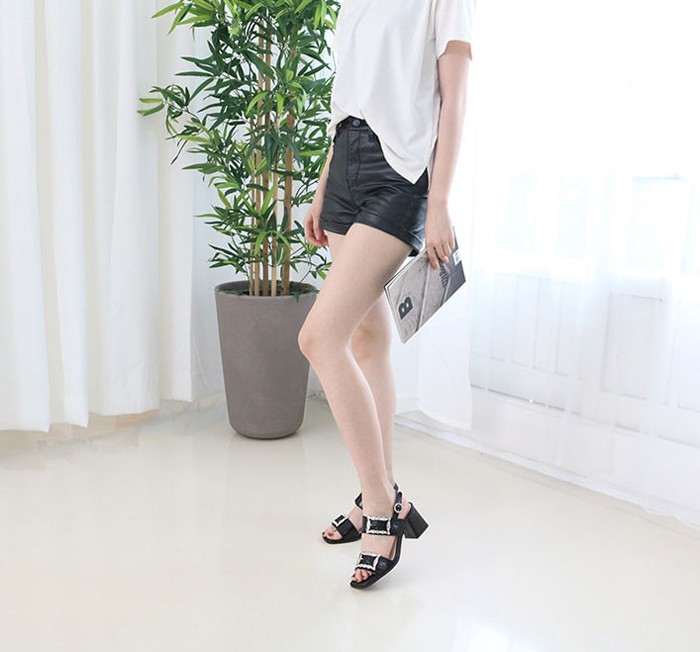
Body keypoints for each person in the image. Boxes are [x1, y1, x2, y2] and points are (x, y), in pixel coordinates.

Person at [298, 0, 474, 589]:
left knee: (319, 338)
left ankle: (381, 509)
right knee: (367, 340)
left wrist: (440, 201)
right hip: (345, 166)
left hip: (400, 175)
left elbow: (454, 100)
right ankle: (383, 489)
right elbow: (347, 97)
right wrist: (323, 187)